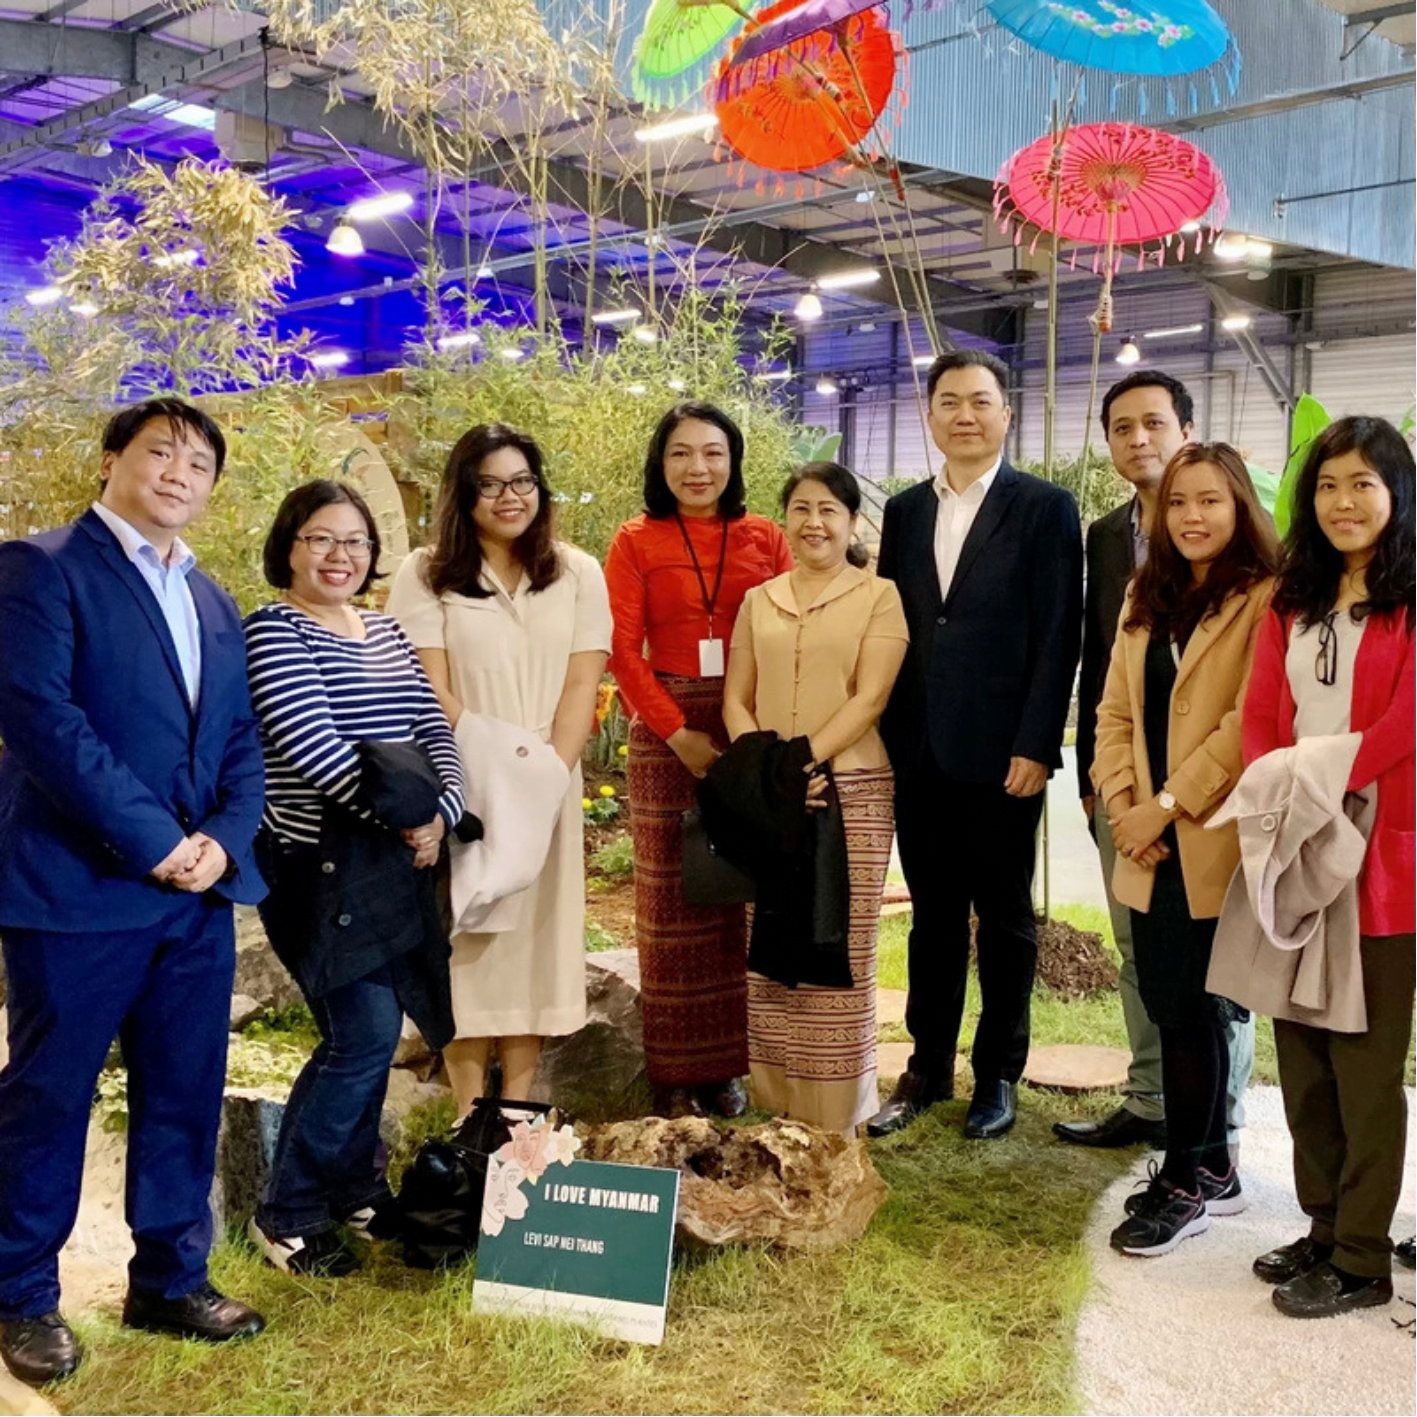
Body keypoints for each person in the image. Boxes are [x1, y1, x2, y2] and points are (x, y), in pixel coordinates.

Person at [0, 399, 268, 1388]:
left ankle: (169, 1277)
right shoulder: (42, 566)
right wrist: (160, 841)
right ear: (113, 459)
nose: (179, 472)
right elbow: (44, 724)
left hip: (193, 895)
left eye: (199, 463)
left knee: (183, 1091)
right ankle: (20, 1292)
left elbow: (241, 740)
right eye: (160, 451)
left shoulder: (212, 599)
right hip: (77, 889)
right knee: (48, 1094)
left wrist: (219, 844)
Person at [243, 481, 466, 1277]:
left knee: (376, 1029)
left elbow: (432, 727)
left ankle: (355, 1188)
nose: (340, 556)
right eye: (321, 539)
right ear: (290, 545)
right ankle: (288, 1212)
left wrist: (444, 809)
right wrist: (402, 822)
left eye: (356, 542)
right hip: (317, 868)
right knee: (361, 1032)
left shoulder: (383, 630)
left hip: (396, 858)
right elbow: (314, 748)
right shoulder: (273, 631)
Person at [869, 350, 1082, 1141]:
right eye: (949, 401)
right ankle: (925, 1066)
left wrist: (1036, 740)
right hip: (918, 747)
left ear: (1005, 414)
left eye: (980, 401)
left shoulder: (1043, 507)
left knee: (1003, 917)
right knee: (930, 914)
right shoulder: (902, 511)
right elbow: (895, 625)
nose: (964, 414)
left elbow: (1058, 633)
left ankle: (997, 1073)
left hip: (1004, 754)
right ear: (928, 416)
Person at [1056, 371, 1255, 1155]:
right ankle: (1151, 1100)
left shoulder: (1258, 583)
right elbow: (1098, 678)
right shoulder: (1114, 545)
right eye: (1120, 427)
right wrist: (1107, 789)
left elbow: (1253, 714)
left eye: (1153, 423)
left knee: (1214, 980)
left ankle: (1218, 1126)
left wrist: (1167, 802)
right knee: (1143, 960)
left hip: (1212, 808)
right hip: (1126, 795)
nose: (1137, 439)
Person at [1240, 416, 1414, 1318]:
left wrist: (1321, 783)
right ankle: (1319, 1225)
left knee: (1364, 1061)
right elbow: (1261, 711)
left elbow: (1404, 724)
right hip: (1294, 843)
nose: (1343, 502)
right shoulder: (1290, 599)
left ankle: (1361, 1254)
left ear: (1396, 495)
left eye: (1363, 484)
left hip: (1379, 856)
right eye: (1326, 485)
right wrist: (1282, 799)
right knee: (1299, 1054)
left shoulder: (1410, 599)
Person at [388, 424, 609, 1118]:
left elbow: (582, 685)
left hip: (548, 779)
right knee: (470, 937)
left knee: (536, 939)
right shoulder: (424, 573)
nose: (508, 497)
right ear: (462, 494)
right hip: (466, 783)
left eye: (521, 481)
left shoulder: (577, 571)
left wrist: (545, 774)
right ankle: (465, 1108)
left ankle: (516, 1108)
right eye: (489, 484)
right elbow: (427, 685)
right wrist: (496, 765)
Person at [1092, 442, 1277, 1258]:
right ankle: (1207, 1169)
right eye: (1176, 503)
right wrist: (1123, 803)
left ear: (1238, 507)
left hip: (1212, 834)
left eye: (1209, 501)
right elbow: (1112, 712)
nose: (1191, 516)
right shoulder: (1146, 592)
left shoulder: (1267, 597)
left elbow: (1248, 720)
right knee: (1170, 1003)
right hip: (1147, 836)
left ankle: (1187, 1179)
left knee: (1203, 1008)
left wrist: (1165, 808)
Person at [605, 401, 793, 1118]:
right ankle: (674, 1072)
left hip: (749, 723)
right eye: (681, 453)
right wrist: (678, 731)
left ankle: (730, 1067)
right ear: (660, 463)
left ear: (733, 461)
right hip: (665, 729)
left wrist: (754, 733)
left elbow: (783, 630)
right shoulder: (635, 539)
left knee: (736, 899)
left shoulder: (764, 536)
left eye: (712, 453)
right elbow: (623, 651)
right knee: (668, 904)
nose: (697, 468)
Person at [722, 463, 908, 1132]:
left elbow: (871, 696)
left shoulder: (879, 595)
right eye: (800, 508)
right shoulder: (758, 599)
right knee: (768, 933)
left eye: (828, 508)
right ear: (784, 520)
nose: (813, 522)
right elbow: (734, 699)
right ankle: (775, 1100)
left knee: (840, 937)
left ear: (851, 520)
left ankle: (836, 1112)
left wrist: (803, 761)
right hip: (772, 791)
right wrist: (771, 769)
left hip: (850, 785)